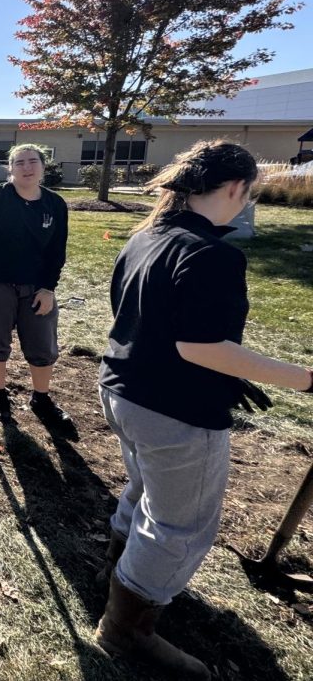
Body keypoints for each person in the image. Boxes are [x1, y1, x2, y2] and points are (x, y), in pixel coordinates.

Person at [94, 140, 313, 678]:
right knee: (180, 525)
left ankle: (123, 570)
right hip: (172, 409)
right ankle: (125, 628)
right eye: (249, 194)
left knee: (143, 488)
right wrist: (306, 380)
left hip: (121, 390)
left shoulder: (146, 237)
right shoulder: (213, 254)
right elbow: (200, 347)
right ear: (237, 188)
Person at [0, 143, 70, 427]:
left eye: (33, 161)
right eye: (19, 162)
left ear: (44, 167)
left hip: (36, 286)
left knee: (42, 343)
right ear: (10, 168)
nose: (27, 167)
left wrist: (48, 288)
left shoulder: (54, 204)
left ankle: (41, 399)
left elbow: (57, 251)